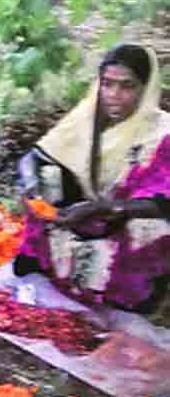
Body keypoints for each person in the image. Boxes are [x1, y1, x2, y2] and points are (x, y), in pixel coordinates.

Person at [15, 44, 170, 312]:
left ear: (145, 89)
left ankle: (121, 296)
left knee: (151, 229)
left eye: (127, 86)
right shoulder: (86, 117)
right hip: (81, 215)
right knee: (46, 185)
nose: (114, 95)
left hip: (123, 219)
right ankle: (52, 270)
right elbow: (34, 157)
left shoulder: (161, 133)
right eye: (107, 84)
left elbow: (163, 202)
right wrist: (32, 189)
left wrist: (102, 208)